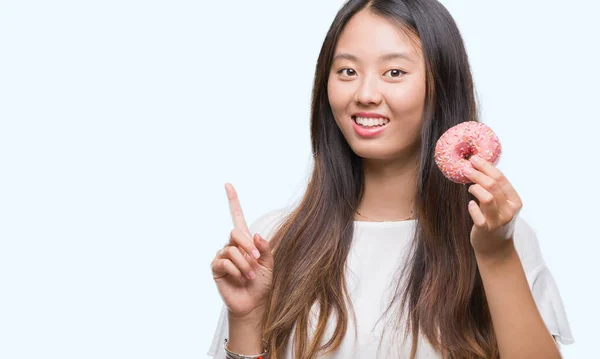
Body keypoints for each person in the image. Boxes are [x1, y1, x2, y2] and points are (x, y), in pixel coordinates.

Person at [208, 0, 574, 358]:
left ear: (441, 85)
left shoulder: (500, 237)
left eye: (394, 72)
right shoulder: (273, 241)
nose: (365, 95)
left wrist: (495, 255)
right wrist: (246, 318)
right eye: (347, 71)